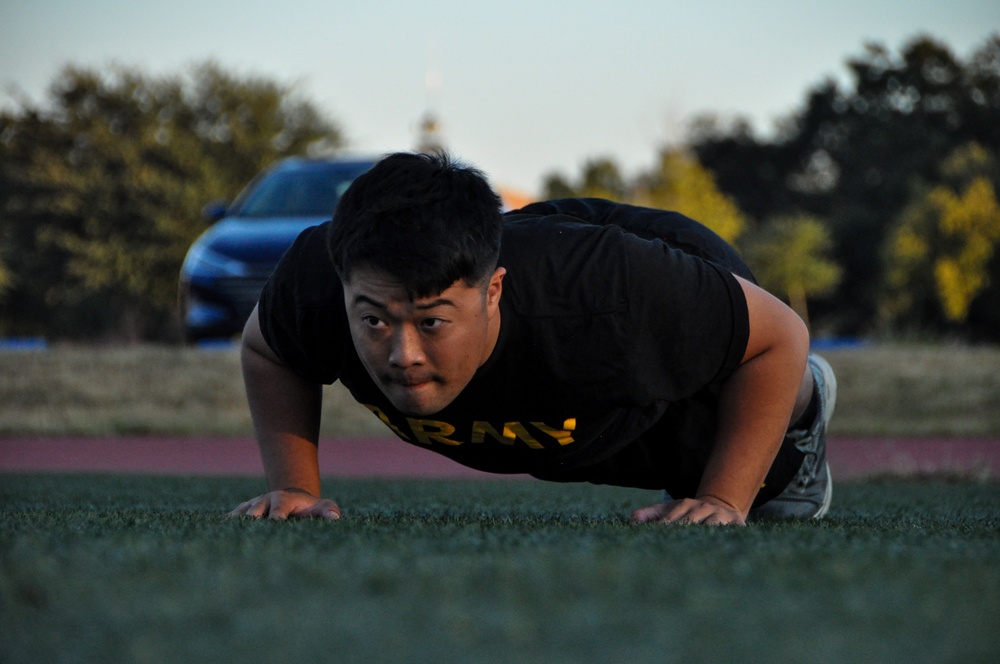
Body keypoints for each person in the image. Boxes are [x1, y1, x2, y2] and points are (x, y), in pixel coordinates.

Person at [229, 151, 836, 526]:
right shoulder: (320, 277)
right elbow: (267, 349)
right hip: (554, 398)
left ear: (492, 292)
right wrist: (295, 489)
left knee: (743, 479)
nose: (402, 354)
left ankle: (806, 405)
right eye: (377, 322)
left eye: (431, 321)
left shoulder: (608, 294)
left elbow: (781, 335)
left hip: (660, 325)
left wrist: (727, 499)